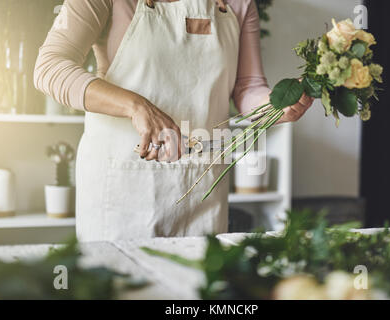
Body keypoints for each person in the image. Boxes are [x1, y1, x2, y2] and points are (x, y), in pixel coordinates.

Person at [34, 0, 313, 241]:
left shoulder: (238, 3)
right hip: (121, 193)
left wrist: (277, 106)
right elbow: (50, 67)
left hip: (202, 191)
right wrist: (136, 106)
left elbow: (247, 87)